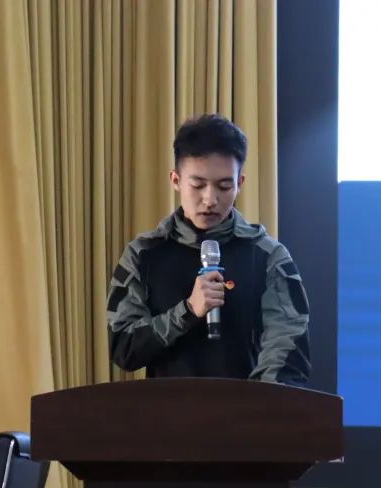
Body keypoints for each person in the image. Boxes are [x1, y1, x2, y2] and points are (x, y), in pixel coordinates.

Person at [107, 114, 311, 386]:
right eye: (198, 185)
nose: (210, 199)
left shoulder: (267, 256)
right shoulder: (143, 254)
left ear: (240, 184)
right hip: (166, 411)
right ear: (176, 180)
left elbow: (288, 348)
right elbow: (124, 348)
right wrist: (188, 310)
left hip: (247, 410)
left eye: (224, 186)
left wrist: (253, 404)